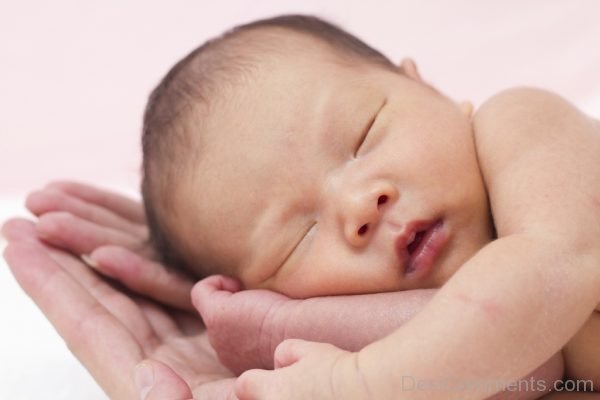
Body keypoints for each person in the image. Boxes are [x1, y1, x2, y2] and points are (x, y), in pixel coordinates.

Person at [4, 12, 599, 398]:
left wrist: (358, 384)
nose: (359, 205)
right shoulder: (462, 355)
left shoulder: (523, 126)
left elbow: (541, 277)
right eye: (301, 237)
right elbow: (527, 363)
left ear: (427, 88)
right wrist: (288, 338)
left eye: (364, 135)